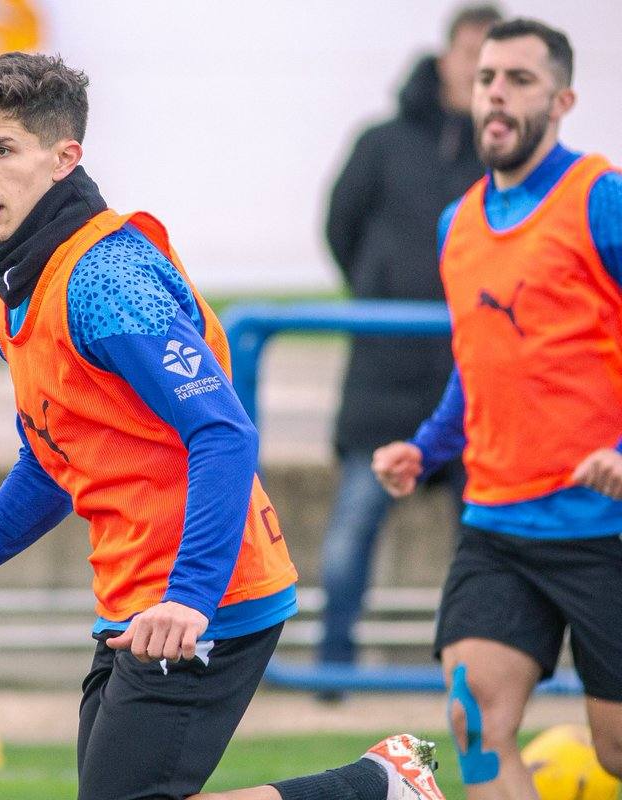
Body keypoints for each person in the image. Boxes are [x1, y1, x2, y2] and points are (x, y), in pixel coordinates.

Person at [0, 51, 446, 800]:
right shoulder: (16, 291)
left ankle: (372, 789)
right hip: (135, 595)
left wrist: (190, 597)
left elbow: (224, 433)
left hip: (203, 598)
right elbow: (54, 462)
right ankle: (378, 786)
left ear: (65, 159)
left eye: (1, 151)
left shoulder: (103, 279)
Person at [373, 17, 622, 799]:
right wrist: (427, 445)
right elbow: (478, 361)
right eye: (487, 79)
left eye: (519, 79)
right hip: (498, 526)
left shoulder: (601, 199)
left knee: (615, 752)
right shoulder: (459, 223)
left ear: (563, 99)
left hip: (604, 529)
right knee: (475, 726)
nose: (498, 95)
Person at [318, 3, 502, 680]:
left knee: (482, 546)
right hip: (382, 380)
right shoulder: (382, 142)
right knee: (350, 536)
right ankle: (329, 677)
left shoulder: (509, 159)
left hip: (477, 381)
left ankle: (470, 673)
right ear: (447, 56)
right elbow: (339, 228)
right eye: (471, 55)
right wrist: (379, 291)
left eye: (496, 64)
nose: (481, 74)